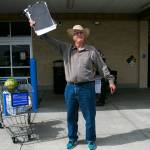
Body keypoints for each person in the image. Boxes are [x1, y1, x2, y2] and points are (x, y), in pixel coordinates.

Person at [30, 21, 116, 150]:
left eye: (81, 32)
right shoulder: (66, 48)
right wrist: (36, 26)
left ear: (84, 35)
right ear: (73, 36)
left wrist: (110, 80)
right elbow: (48, 39)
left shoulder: (91, 50)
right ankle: (72, 138)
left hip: (87, 88)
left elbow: (102, 66)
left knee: (90, 116)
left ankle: (91, 140)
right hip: (70, 88)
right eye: (76, 33)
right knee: (71, 116)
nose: (78, 34)